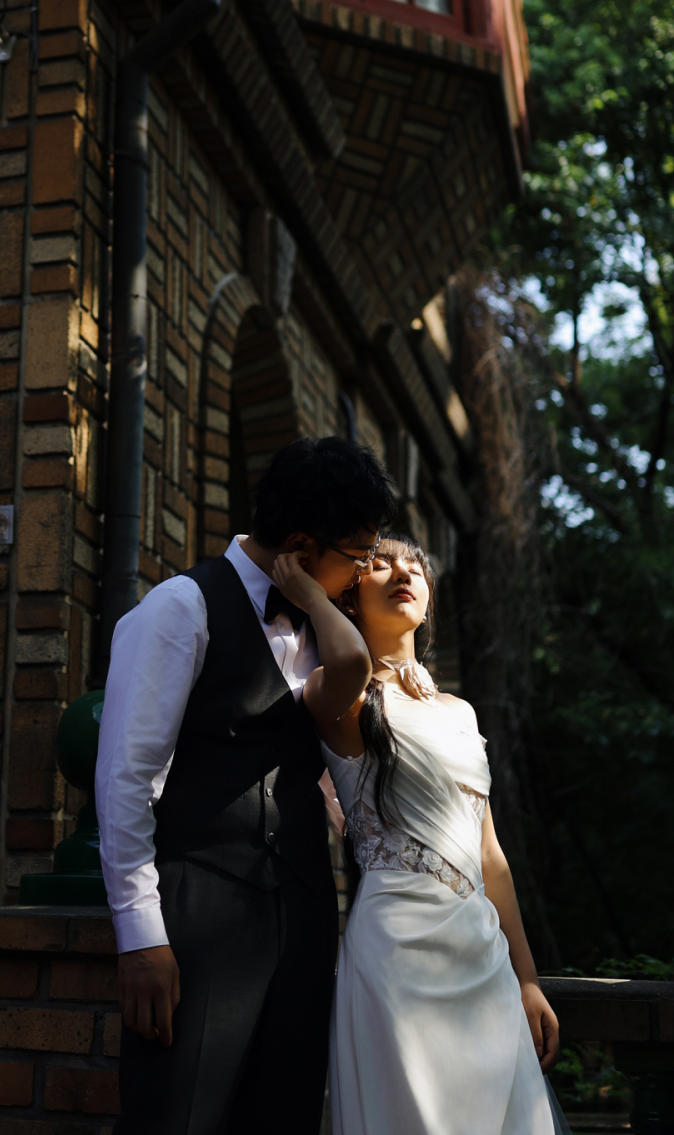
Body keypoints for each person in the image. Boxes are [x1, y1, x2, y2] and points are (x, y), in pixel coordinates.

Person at [95, 435, 399, 1135]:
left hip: (302, 921)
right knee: (177, 1116)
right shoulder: (180, 607)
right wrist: (140, 937)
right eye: (354, 556)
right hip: (197, 915)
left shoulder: (328, 628)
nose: (359, 576)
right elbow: (126, 779)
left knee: (283, 1117)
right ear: (299, 541)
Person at [273, 532, 570, 1135]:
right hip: (397, 956)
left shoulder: (462, 712)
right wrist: (309, 596)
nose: (401, 573)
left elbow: (490, 856)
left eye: (415, 567)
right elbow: (350, 663)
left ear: (429, 600)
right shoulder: (343, 691)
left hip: (481, 956)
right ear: (352, 598)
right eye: (379, 565)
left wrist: (528, 978)